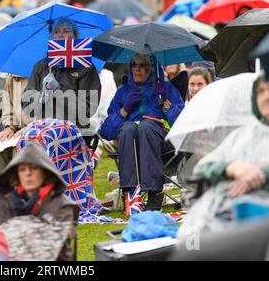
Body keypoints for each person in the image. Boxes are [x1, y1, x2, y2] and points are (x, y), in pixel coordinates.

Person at [178, 69, 269, 238]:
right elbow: (202, 167)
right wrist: (230, 168)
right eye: (261, 91)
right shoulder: (243, 135)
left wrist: (259, 174)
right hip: (218, 219)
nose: (266, 97)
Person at [99, 54, 185, 210]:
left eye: (142, 65)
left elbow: (182, 123)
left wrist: (166, 103)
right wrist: (125, 109)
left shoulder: (166, 88)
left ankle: (155, 193)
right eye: (134, 65)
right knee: (128, 127)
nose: (137, 69)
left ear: (151, 68)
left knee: (146, 126)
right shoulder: (123, 92)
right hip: (129, 146)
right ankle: (131, 193)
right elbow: (106, 132)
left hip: (163, 146)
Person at [0, 141, 78, 261]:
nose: (28, 174)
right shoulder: (4, 200)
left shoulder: (62, 205)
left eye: (34, 168)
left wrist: (11, 231)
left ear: (45, 172)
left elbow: (46, 249)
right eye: (22, 169)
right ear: (17, 174)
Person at [23, 17, 101, 137]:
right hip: (44, 129)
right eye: (56, 31)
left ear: (75, 37)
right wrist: (40, 96)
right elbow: (29, 109)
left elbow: (87, 110)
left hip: (74, 131)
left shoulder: (86, 67)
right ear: (51, 37)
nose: (60, 35)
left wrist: (59, 91)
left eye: (66, 31)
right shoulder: (41, 66)